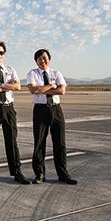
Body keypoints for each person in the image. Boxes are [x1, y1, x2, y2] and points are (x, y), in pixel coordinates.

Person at [0, 41, 31, 185]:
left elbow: (18, 86)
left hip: (9, 108)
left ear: (4, 54)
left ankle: (17, 172)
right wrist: (6, 87)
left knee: (12, 141)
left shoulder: (10, 69)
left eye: (1, 52)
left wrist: (1, 85)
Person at [27, 49, 78, 185]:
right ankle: (39, 174)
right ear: (36, 61)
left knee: (60, 143)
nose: (42, 61)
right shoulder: (32, 73)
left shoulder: (57, 73)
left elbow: (62, 90)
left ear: (49, 58)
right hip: (40, 110)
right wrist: (51, 85)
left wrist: (42, 89)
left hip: (56, 110)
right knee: (39, 143)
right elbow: (34, 90)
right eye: (39, 59)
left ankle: (63, 174)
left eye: (44, 58)